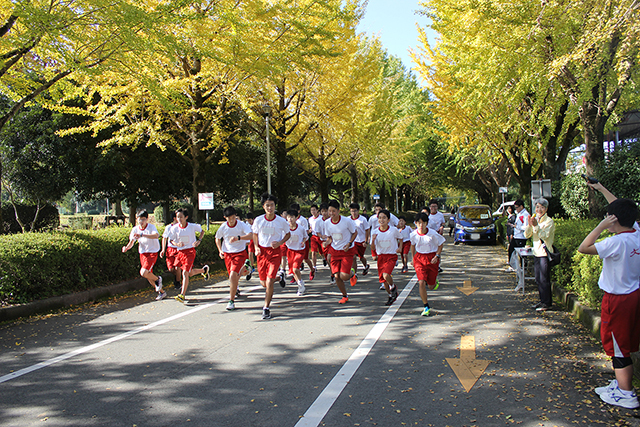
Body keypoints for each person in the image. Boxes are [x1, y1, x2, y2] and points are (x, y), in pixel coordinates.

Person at [578, 183, 640, 409]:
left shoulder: (616, 242)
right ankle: (621, 385)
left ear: (614, 221)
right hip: (633, 295)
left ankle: (626, 393)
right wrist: (601, 188)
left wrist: (601, 226)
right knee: (626, 343)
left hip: (617, 300)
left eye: (611, 218)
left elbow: (584, 247)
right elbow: (621, 208)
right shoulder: (636, 233)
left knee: (618, 346)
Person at [252, 193, 291, 319]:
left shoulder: (281, 221)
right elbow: (255, 234)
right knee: (264, 283)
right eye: (267, 205)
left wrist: (280, 242)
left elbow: (288, 234)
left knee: (269, 281)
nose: (270, 208)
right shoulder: (258, 220)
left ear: (275, 206)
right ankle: (280, 277)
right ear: (263, 206)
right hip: (262, 253)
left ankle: (266, 308)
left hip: (275, 253)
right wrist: (257, 247)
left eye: (272, 205)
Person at [215, 206, 253, 311]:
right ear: (225, 217)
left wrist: (239, 238)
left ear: (235, 216)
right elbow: (217, 238)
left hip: (239, 253)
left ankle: (231, 301)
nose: (231, 220)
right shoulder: (223, 227)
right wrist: (220, 250)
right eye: (229, 218)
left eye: (233, 217)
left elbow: (251, 235)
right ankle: (246, 269)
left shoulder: (241, 225)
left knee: (232, 275)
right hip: (227, 254)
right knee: (232, 276)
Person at [122, 210, 165, 301]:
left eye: (143, 219)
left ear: (147, 219)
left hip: (152, 252)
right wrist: (126, 248)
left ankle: (158, 279)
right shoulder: (135, 229)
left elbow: (156, 236)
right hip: (143, 253)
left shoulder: (151, 227)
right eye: (139, 219)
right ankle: (161, 292)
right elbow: (131, 242)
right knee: (148, 275)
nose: (141, 221)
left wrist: (142, 235)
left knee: (143, 272)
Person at [169, 208, 210, 303]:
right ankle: (204, 270)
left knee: (185, 273)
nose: (179, 219)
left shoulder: (192, 226)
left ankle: (182, 295)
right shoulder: (174, 228)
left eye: (181, 217)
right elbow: (171, 240)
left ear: (186, 217)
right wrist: (176, 244)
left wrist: (199, 241)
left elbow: (202, 231)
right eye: (177, 217)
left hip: (190, 252)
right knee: (189, 273)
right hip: (180, 252)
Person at [411, 212, 445, 316]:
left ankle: (434, 282)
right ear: (416, 223)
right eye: (419, 223)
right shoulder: (413, 234)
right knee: (421, 282)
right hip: (419, 258)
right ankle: (426, 306)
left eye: (423, 223)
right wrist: (413, 258)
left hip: (431, 259)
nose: (421, 225)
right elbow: (412, 245)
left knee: (430, 286)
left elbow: (441, 243)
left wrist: (437, 256)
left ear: (427, 223)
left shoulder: (433, 233)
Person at [322, 200, 357, 304]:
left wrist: (350, 243)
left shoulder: (346, 221)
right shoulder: (327, 223)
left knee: (344, 276)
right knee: (336, 276)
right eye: (329, 211)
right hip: (335, 251)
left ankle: (352, 273)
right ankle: (344, 296)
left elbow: (355, 233)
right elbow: (330, 238)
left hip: (346, 250)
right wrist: (326, 243)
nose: (331, 213)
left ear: (338, 211)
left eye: (333, 211)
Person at [524, 198, 556, 312]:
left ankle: (547, 303)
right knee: (538, 278)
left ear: (546, 209)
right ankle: (542, 300)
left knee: (544, 279)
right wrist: (529, 225)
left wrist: (536, 226)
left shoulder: (549, 222)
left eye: (542, 207)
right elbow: (527, 235)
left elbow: (544, 236)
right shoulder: (535, 219)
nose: (539, 209)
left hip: (544, 254)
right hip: (536, 253)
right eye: (537, 207)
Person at [371, 209, 402, 306]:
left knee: (386, 274)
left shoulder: (393, 230)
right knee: (383, 280)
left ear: (388, 220)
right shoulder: (375, 232)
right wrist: (372, 240)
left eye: (384, 218)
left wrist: (400, 247)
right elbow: (373, 247)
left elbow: (400, 238)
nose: (381, 220)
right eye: (380, 218)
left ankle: (393, 287)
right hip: (381, 257)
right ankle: (390, 295)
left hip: (391, 256)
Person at [285, 209, 308, 296]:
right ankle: (300, 284)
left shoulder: (301, 228)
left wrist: (303, 242)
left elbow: (306, 237)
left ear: (296, 218)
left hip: (299, 250)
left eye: (292, 217)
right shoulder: (286, 228)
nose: (290, 219)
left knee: (295, 268)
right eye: (288, 217)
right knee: (292, 271)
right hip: (290, 251)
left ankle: (300, 284)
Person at [349, 202, 371, 285]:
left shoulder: (363, 219)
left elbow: (367, 230)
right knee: (354, 257)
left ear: (358, 211)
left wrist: (366, 241)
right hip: (352, 241)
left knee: (361, 257)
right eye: (352, 211)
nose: (353, 213)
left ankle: (366, 265)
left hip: (361, 241)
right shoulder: (348, 219)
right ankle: (354, 274)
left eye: (355, 211)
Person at [160, 211, 181, 291]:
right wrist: (163, 249)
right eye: (178, 217)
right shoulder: (169, 227)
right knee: (171, 269)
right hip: (170, 249)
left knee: (177, 266)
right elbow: (164, 238)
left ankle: (177, 282)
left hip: (179, 249)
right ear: (174, 218)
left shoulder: (181, 226)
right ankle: (179, 276)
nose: (180, 219)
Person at [509, 199, 530, 269]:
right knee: (511, 250)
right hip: (516, 236)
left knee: (522, 254)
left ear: (521, 206)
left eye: (517, 207)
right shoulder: (519, 214)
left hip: (521, 236)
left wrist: (517, 226)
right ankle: (513, 266)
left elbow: (526, 227)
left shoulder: (526, 215)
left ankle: (524, 267)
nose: (516, 209)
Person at [308, 204, 324, 275]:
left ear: (317, 210)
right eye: (311, 210)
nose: (313, 211)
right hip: (314, 236)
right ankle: (314, 266)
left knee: (322, 251)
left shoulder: (321, 218)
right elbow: (311, 227)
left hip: (321, 237)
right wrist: (310, 230)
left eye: (314, 210)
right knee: (313, 252)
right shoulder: (310, 219)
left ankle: (324, 258)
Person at [505, 205, 516, 270]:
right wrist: (507, 234)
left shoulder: (513, 217)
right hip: (509, 233)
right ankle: (510, 261)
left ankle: (512, 263)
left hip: (512, 234)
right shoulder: (509, 217)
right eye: (508, 208)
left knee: (511, 249)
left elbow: (513, 226)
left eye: (510, 208)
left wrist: (512, 233)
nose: (509, 210)